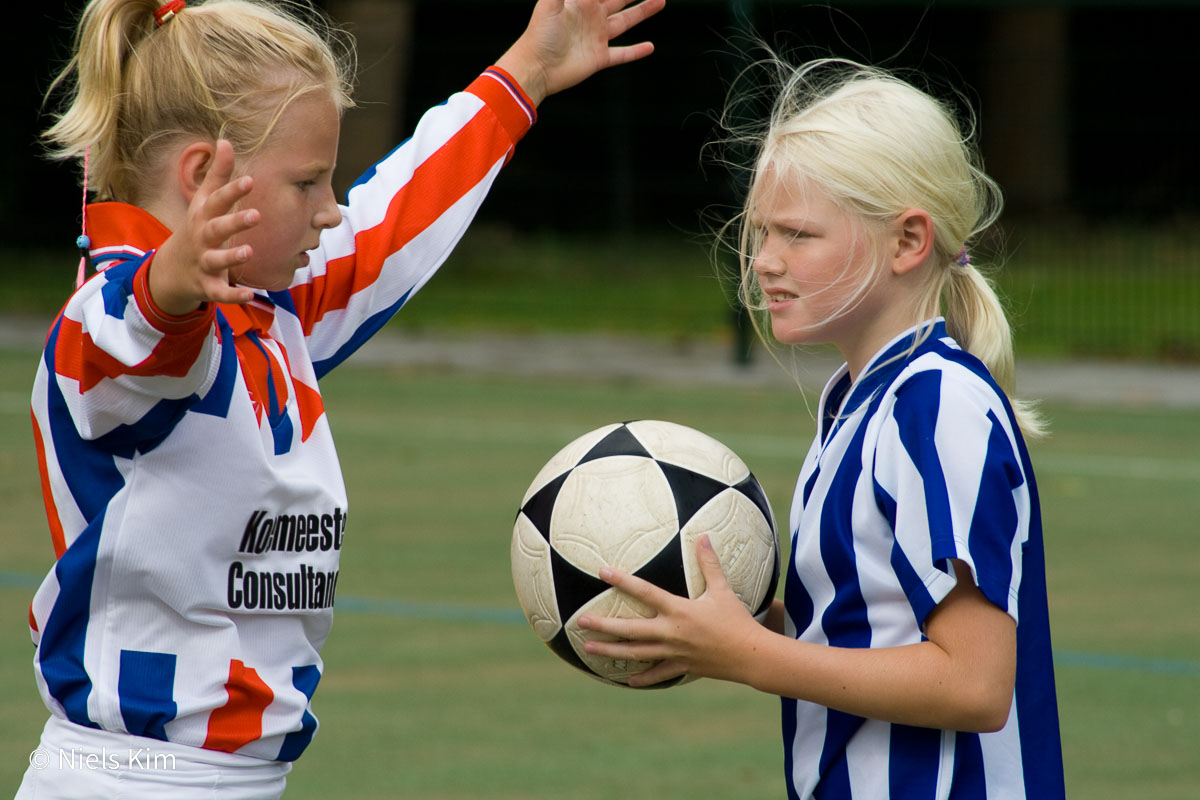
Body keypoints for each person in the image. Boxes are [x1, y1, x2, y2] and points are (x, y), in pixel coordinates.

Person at [20, 0, 663, 796]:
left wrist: (524, 73)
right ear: (202, 177)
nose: (330, 209)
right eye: (308, 181)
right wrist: (173, 280)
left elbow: (390, 222)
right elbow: (131, 336)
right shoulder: (114, 324)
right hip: (132, 780)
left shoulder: (269, 304)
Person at [578, 57, 1066, 798]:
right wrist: (732, 621)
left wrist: (748, 655)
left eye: (798, 235)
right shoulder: (859, 400)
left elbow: (974, 683)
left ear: (907, 242)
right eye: (761, 232)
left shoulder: (934, 406)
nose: (764, 262)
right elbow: (875, 625)